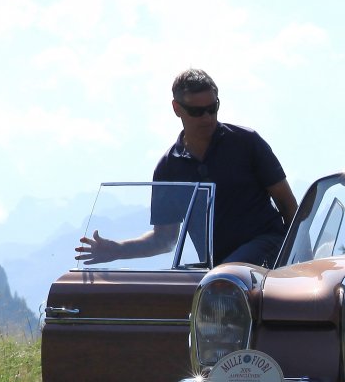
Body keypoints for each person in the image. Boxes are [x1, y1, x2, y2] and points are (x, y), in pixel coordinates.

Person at [76, 69, 298, 267]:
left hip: (266, 249)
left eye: (212, 108)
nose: (207, 118)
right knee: (178, 284)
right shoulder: (168, 168)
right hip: (217, 270)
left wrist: (299, 259)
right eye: (197, 111)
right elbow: (164, 239)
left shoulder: (246, 142)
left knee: (226, 274)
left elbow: (289, 207)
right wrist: (116, 250)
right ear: (177, 108)